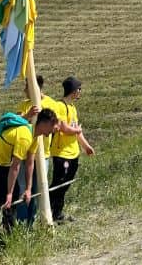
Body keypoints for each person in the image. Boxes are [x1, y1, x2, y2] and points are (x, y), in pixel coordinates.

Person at [0, 108, 59, 252]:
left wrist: (27, 189)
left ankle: (9, 234)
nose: (54, 130)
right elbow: (15, 167)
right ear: (44, 124)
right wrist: (8, 193)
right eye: (53, 126)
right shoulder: (25, 136)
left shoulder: (35, 137)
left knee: (12, 197)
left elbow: (30, 164)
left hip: (2, 163)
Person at [50, 76, 95, 223]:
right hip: (62, 154)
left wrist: (86, 146)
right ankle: (51, 212)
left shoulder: (73, 108)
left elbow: (76, 130)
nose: (80, 92)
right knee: (58, 184)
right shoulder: (60, 106)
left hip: (73, 153)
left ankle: (57, 212)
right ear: (74, 91)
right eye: (79, 89)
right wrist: (76, 131)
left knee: (66, 183)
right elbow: (64, 127)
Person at [15, 74, 59, 225]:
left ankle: (36, 221)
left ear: (35, 87)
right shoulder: (24, 105)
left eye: (27, 86)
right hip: (24, 155)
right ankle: (22, 222)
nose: (24, 90)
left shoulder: (51, 104)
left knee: (39, 189)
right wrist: (27, 116)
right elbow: (17, 125)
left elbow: (57, 126)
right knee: (24, 189)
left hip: (43, 155)